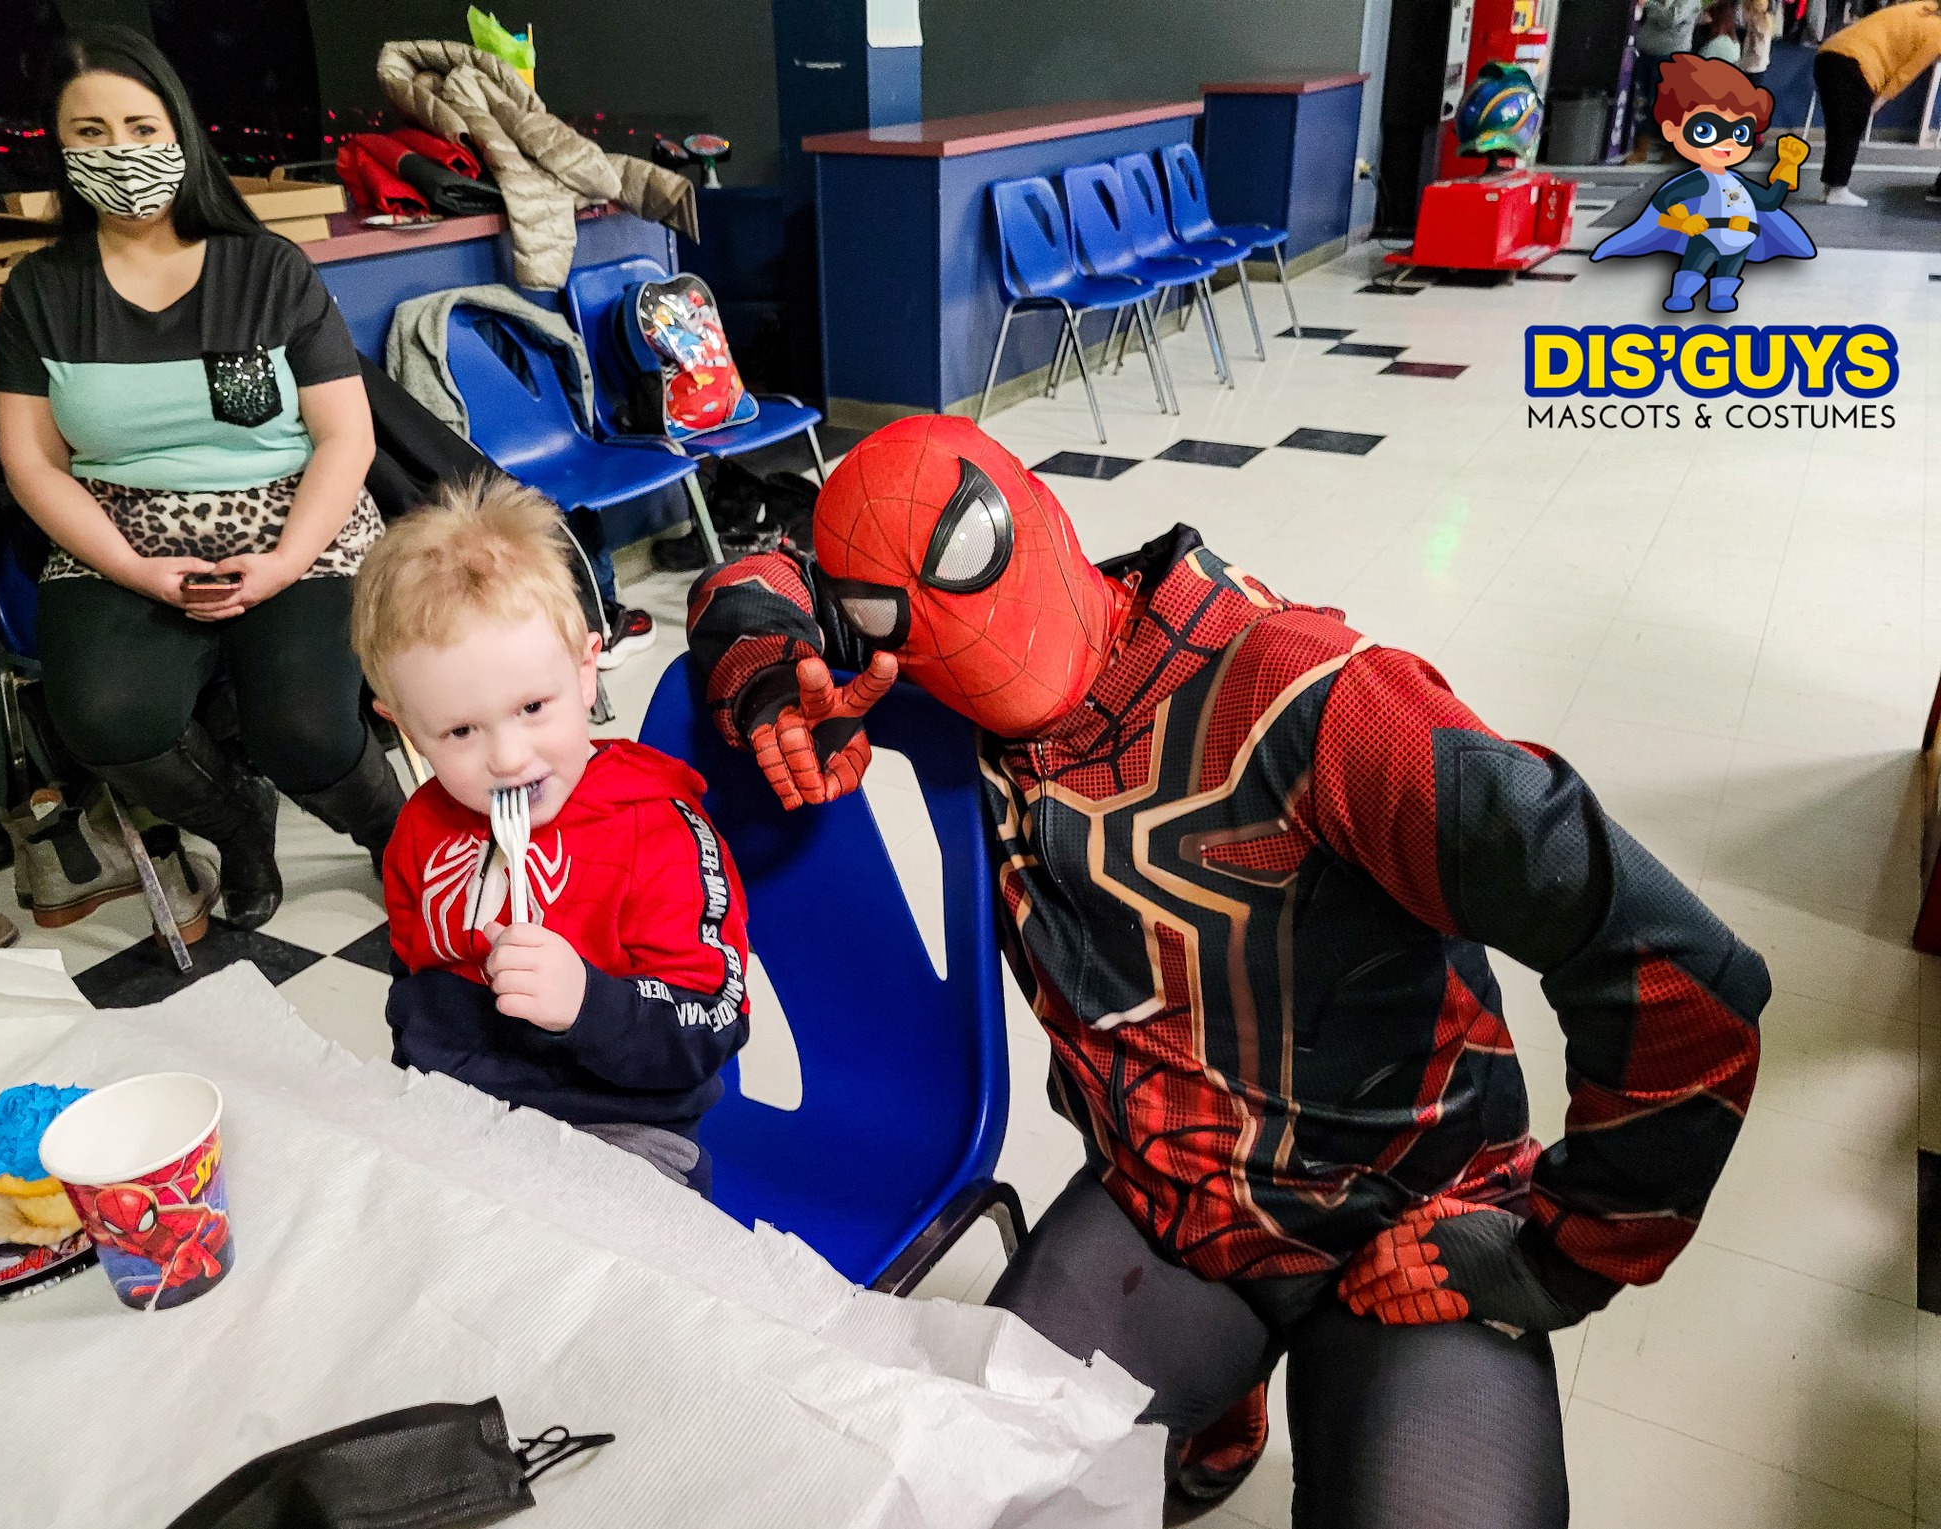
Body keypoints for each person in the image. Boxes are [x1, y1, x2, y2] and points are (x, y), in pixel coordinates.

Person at [687, 416, 1768, 1523]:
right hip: (1168, 1200)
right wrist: (771, 682)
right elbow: (754, 577)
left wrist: (1557, 1249)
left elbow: (1682, 970)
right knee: (959, 1491)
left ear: (1046, 515)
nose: (967, 640)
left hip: (1408, 1216)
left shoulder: (1320, 700)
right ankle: (1216, 1406)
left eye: (968, 563)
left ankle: (1219, 1400)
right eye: (892, 616)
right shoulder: (908, 653)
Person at [0, 27, 403, 932]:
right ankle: (239, 828)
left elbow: (345, 436)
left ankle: (397, 837)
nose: (120, 153)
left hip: (294, 520)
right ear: (59, 148)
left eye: (142, 128)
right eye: (91, 132)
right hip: (116, 534)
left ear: (180, 131)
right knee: (106, 720)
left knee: (306, 730)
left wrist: (286, 561)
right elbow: (32, 462)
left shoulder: (268, 270)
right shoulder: (41, 290)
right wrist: (135, 569)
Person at [353, 476, 749, 1196]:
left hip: (619, 1124)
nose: (508, 758)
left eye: (533, 706)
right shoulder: (419, 828)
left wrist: (587, 1002)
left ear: (586, 668)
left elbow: (710, 1027)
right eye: (460, 731)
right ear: (405, 727)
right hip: (457, 1109)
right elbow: (414, 985)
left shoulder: (658, 831)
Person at [1590, 55, 1815, 313]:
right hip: (1708, 234)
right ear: (1673, 130)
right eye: (1705, 130)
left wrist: (1787, 165)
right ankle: (1682, 295)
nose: (1727, 142)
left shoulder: (1736, 182)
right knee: (1695, 266)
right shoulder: (1701, 180)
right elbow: (1667, 201)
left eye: (1740, 132)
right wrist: (1683, 220)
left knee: (1729, 271)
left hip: (1741, 239)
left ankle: (1721, 296)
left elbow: (1768, 202)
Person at [1813, 0, 1941, 206]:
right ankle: (1837, 189)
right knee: (1850, 129)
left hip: (1829, 53)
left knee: (1839, 130)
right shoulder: (1938, 34)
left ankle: (1830, 187)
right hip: (1857, 63)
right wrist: (1879, 101)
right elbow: (1906, 74)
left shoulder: (1923, 7)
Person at [1630, 0, 1706, 159]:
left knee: (1667, 105)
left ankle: (1673, 148)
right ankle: (1641, 149)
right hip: (1646, 54)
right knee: (1641, 102)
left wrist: (1648, 4)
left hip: (1671, 57)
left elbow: (1672, 19)